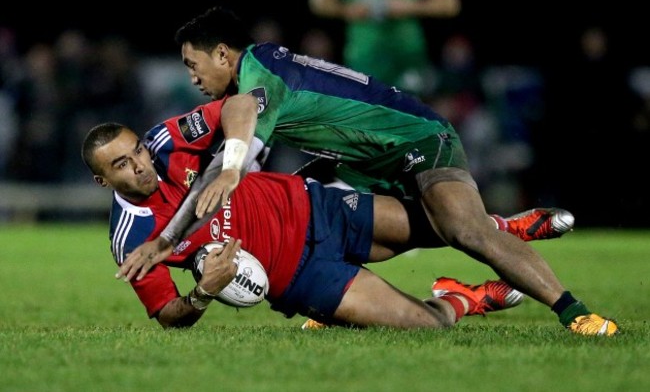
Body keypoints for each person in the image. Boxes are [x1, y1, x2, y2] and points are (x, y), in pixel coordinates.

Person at [137, 5, 618, 336]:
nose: (192, 77)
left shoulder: (257, 77)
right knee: (310, 207)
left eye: (193, 64)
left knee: (465, 232)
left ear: (223, 53)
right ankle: (497, 238)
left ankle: (574, 313)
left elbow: (238, 152)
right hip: (361, 159)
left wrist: (221, 182)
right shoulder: (255, 75)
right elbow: (238, 158)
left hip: (414, 137)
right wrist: (169, 236)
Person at [81, 113, 526, 330]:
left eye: (136, 149)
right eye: (122, 164)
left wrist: (235, 158)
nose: (140, 164)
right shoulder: (132, 237)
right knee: (431, 328)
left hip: (314, 207)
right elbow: (166, 316)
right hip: (301, 279)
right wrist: (202, 293)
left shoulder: (168, 141)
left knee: (453, 228)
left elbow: (239, 103)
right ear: (103, 181)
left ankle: (506, 229)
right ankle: (462, 298)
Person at [308, 0, 461, 97]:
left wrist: (410, 7)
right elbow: (319, 3)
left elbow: (450, 4)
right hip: (365, 59)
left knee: (413, 122)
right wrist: (347, 10)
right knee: (371, 125)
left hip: (408, 58)